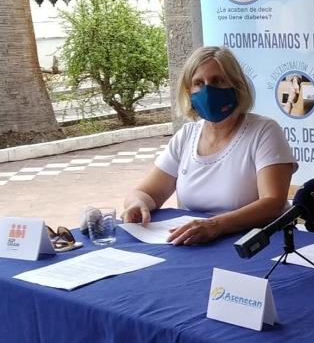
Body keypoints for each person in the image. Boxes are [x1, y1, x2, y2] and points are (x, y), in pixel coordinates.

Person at [121, 46, 297, 245]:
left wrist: (216, 225)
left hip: (255, 246)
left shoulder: (264, 131)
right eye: (198, 83)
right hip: (198, 244)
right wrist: (137, 204)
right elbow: (148, 192)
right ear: (189, 91)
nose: (208, 90)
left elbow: (273, 203)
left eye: (218, 80)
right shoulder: (187, 135)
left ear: (237, 86)